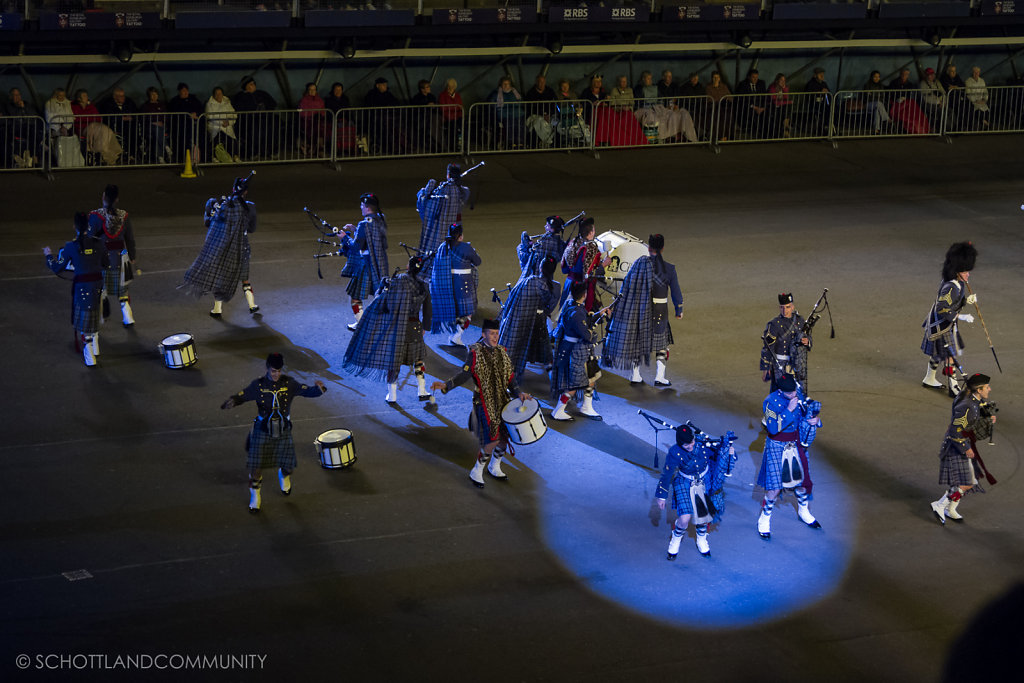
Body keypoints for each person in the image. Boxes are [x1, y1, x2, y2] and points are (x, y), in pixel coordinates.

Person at [221, 353, 327, 513]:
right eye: (273, 371)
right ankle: (255, 496)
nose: (276, 374)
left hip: (283, 428)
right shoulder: (258, 385)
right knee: (255, 467)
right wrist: (233, 401)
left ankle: (283, 475)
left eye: (278, 371)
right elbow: (243, 395)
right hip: (262, 427)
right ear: (267, 368)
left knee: (289, 467)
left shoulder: (289, 383)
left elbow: (307, 391)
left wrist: (320, 389)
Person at [431, 319, 531, 488]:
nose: (495, 337)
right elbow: (464, 374)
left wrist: (519, 393)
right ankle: (477, 469)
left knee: (505, 437)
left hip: (503, 400)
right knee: (492, 439)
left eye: (497, 333)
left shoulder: (502, 352)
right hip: (483, 401)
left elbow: (510, 378)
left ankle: (495, 465)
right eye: (492, 333)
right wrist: (446, 385)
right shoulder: (475, 352)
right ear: (483, 334)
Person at [343, 256, 433, 404]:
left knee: (394, 361)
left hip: (397, 327)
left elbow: (382, 300)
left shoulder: (397, 281)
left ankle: (392, 395)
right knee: (418, 360)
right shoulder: (424, 286)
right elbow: (428, 311)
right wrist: (425, 327)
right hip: (414, 327)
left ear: (408, 266)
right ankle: (422, 391)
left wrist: (381, 287)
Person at [602, 234, 684, 387]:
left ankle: (635, 375)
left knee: (639, 342)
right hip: (659, 311)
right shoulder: (669, 269)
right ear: (662, 248)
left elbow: (626, 284)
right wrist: (679, 309)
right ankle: (660, 377)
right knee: (662, 344)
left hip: (639, 310)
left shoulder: (638, 264)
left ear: (649, 247)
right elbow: (676, 292)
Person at [180, 174, 259, 317]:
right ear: (246, 192)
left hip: (225, 247)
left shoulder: (224, 206)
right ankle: (252, 305)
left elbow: (208, 223)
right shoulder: (251, 207)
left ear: (233, 189)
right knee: (245, 279)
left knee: (221, 278)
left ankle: (217, 309)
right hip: (243, 247)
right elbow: (252, 229)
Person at [756, 374, 823, 539]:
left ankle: (804, 510)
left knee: (801, 482)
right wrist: (788, 410)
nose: (794, 395)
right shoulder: (770, 402)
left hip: (795, 442)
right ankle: (764, 518)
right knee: (774, 487)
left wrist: (816, 420)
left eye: (794, 391)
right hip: (777, 445)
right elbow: (772, 428)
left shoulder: (796, 392)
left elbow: (808, 410)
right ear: (780, 390)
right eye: (790, 393)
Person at [656, 424, 736, 560]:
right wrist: (661, 495)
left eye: (692, 442)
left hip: (703, 481)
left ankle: (701, 539)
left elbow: (719, 455)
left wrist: (728, 451)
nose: (691, 446)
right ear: (680, 444)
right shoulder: (674, 452)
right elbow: (666, 474)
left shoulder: (702, 445)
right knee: (684, 518)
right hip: (684, 482)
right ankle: (676, 537)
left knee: (703, 517)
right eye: (687, 445)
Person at [43, 212, 110, 366]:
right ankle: (96, 347)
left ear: (75, 227)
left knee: (86, 317)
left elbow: (57, 267)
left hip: (81, 286)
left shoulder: (70, 246)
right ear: (88, 226)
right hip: (98, 285)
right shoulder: (99, 243)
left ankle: (90, 356)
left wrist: (48, 256)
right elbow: (106, 264)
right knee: (95, 314)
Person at [930, 373, 996, 524]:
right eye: (987, 387)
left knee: (966, 481)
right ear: (978, 390)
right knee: (967, 482)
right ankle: (940, 505)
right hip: (956, 446)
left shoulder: (971, 400)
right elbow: (955, 430)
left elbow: (973, 416)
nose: (989, 389)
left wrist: (987, 417)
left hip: (961, 443)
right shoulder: (967, 406)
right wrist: (965, 448)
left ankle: (951, 508)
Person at [922, 241, 977, 395]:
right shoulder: (951, 286)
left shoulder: (957, 284)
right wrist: (963, 316)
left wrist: (966, 301)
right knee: (950, 356)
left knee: (940, 354)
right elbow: (942, 308)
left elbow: (954, 303)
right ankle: (954, 387)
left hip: (946, 324)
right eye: (965, 271)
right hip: (942, 324)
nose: (968, 274)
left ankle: (929, 377)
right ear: (957, 271)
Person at [550, 281, 605, 421]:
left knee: (591, 378)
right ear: (584, 295)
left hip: (571, 350)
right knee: (573, 386)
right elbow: (586, 334)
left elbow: (585, 321)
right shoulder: (577, 313)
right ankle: (559, 410)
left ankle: (586, 406)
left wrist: (600, 314)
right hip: (576, 353)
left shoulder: (571, 306)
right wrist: (593, 333)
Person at [499, 255, 561, 379]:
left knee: (515, 350)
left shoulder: (529, 281)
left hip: (523, 321)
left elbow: (513, 298)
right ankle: (554, 381)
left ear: (540, 268)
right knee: (546, 353)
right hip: (539, 322)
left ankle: (508, 380)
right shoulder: (556, 286)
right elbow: (549, 308)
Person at [338, 192, 389, 330]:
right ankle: (383, 323)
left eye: (362, 205)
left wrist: (344, 237)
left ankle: (361, 323)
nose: (360, 207)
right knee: (380, 294)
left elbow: (355, 247)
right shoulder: (380, 219)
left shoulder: (364, 224)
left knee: (355, 296)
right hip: (381, 263)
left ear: (367, 208)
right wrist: (356, 230)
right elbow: (370, 238)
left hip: (366, 264)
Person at [89, 184, 137, 327]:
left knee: (101, 287)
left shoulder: (95, 216)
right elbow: (130, 238)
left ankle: (101, 316)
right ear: (117, 199)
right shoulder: (124, 216)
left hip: (101, 258)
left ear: (103, 197)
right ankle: (128, 316)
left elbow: (90, 239)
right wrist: (132, 256)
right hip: (120, 258)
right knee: (122, 288)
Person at [430, 223, 482, 346]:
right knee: (467, 312)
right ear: (460, 235)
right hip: (463, 284)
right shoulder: (465, 247)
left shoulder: (443, 246)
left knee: (454, 310)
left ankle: (454, 332)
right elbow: (478, 261)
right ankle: (456, 335)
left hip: (447, 284)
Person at [416, 162, 470, 257]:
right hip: (456, 228)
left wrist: (425, 192)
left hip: (440, 228)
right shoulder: (461, 191)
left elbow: (425, 199)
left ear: (448, 175)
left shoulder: (441, 190)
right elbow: (465, 192)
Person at [761, 292, 811, 393]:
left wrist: (808, 341)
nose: (785, 310)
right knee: (778, 391)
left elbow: (807, 336)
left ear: (792, 307)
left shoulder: (800, 321)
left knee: (797, 390)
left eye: (787, 307)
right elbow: (768, 347)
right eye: (782, 307)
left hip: (796, 362)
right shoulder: (774, 324)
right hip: (779, 363)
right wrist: (766, 368)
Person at [559, 217, 611, 312]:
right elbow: (589, 273)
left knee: (564, 313)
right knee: (578, 315)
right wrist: (603, 264)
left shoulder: (574, 242)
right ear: (591, 232)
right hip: (580, 288)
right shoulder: (591, 248)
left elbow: (565, 266)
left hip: (569, 283)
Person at [234, 77, 278, 160]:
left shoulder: (262, 93)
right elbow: (239, 109)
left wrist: (264, 107)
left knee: (273, 127)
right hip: (250, 120)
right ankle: (254, 152)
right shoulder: (240, 96)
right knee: (254, 131)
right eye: (250, 84)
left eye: (254, 83)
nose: (253, 85)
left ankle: (272, 151)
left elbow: (273, 103)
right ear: (245, 86)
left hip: (265, 119)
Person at [97, 87, 139, 161]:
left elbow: (135, 114)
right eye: (120, 96)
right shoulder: (107, 103)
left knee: (134, 133)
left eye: (123, 96)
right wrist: (121, 118)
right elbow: (107, 117)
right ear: (115, 97)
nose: (123, 98)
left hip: (129, 127)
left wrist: (131, 118)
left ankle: (132, 154)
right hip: (114, 127)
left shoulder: (129, 102)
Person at [518, 214, 566, 279]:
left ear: (552, 229)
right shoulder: (558, 241)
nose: (545, 226)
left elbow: (531, 256)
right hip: (547, 276)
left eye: (547, 225)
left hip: (536, 275)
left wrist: (525, 245)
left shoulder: (548, 241)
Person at [167, 82, 203, 163]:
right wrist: (188, 115)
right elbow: (173, 114)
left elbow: (200, 109)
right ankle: (182, 159)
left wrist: (196, 114)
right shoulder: (174, 101)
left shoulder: (194, 99)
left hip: (194, 126)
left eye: (186, 90)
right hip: (180, 127)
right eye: (183, 90)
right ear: (179, 91)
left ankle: (196, 158)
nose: (185, 92)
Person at [363, 77, 400, 155]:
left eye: (385, 85)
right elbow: (370, 106)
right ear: (377, 85)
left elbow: (395, 102)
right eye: (383, 85)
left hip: (388, 119)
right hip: (375, 119)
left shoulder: (388, 94)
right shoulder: (371, 94)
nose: (385, 86)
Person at [888, 68, 929, 134]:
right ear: (900, 74)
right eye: (903, 74)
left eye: (906, 74)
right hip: (896, 103)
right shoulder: (894, 83)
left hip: (906, 103)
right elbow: (891, 94)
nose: (904, 75)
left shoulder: (910, 84)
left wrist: (905, 98)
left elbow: (910, 95)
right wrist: (898, 98)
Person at [488, 76, 524, 148]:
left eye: (507, 84)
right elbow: (492, 104)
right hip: (504, 114)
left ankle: (520, 142)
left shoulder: (515, 92)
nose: (506, 85)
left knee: (520, 125)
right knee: (509, 124)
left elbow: (520, 102)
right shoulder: (496, 93)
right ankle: (510, 142)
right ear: (500, 84)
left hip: (517, 113)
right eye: (504, 84)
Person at [205, 86, 239, 161]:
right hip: (215, 127)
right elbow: (210, 116)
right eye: (217, 94)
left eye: (220, 94)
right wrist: (221, 123)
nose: (219, 95)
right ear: (213, 95)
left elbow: (234, 114)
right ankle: (213, 157)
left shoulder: (227, 102)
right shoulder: (209, 104)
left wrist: (229, 122)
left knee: (231, 140)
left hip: (227, 126)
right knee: (216, 140)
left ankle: (234, 156)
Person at [734, 68, 768, 137]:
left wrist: (762, 107)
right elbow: (741, 99)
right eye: (753, 77)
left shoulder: (761, 83)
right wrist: (754, 107)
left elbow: (765, 97)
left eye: (756, 77)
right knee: (752, 113)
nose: (755, 79)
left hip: (760, 107)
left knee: (768, 113)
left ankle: (768, 132)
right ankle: (757, 132)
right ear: (749, 77)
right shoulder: (743, 84)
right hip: (748, 107)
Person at [139, 86, 169, 163]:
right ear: (149, 96)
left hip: (161, 127)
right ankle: (165, 146)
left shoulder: (162, 105)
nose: (154, 96)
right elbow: (143, 118)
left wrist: (161, 122)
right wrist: (154, 122)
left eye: (156, 94)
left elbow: (166, 116)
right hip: (149, 128)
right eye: (152, 94)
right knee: (156, 130)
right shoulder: (145, 106)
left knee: (158, 133)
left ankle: (160, 157)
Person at [297, 82, 327, 157]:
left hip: (318, 121)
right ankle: (311, 147)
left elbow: (323, 112)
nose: (312, 91)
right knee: (313, 129)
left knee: (319, 129)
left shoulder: (320, 100)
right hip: (307, 121)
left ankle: (319, 148)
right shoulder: (303, 100)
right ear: (307, 90)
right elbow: (302, 112)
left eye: (314, 89)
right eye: (310, 89)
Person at [410, 79, 438, 153]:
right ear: (422, 89)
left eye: (429, 87)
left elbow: (437, 107)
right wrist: (426, 105)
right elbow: (415, 109)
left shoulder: (432, 96)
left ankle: (432, 144)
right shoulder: (416, 98)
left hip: (430, 117)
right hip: (420, 118)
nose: (429, 88)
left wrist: (434, 106)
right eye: (427, 87)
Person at [705, 71, 733, 141]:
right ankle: (720, 136)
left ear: (720, 78)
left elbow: (730, 97)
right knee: (719, 117)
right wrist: (719, 100)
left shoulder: (724, 86)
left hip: (724, 106)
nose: (716, 79)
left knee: (728, 117)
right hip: (714, 107)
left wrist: (725, 99)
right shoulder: (709, 87)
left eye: (717, 77)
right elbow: (709, 99)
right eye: (714, 77)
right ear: (712, 78)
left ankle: (728, 136)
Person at [437, 78, 463, 152]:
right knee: (453, 129)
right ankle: (453, 147)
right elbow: (443, 108)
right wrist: (455, 107)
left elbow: (460, 107)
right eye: (448, 86)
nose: (449, 88)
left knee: (463, 128)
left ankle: (462, 146)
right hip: (447, 118)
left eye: (451, 87)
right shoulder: (442, 95)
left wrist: (452, 108)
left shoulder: (457, 95)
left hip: (457, 117)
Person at [805, 67, 832, 134]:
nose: (822, 75)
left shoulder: (824, 84)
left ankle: (829, 127)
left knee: (832, 108)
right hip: (815, 104)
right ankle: (822, 128)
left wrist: (827, 92)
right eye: (820, 74)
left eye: (822, 74)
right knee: (824, 110)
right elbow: (809, 95)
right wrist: (819, 92)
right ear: (815, 75)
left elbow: (829, 93)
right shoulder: (811, 84)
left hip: (824, 103)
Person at [940, 64, 967, 128]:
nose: (954, 73)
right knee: (955, 110)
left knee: (965, 107)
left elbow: (962, 85)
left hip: (958, 97)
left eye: (955, 71)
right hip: (949, 99)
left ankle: (962, 126)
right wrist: (955, 87)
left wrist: (955, 87)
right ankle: (955, 127)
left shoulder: (957, 76)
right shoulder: (944, 77)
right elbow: (947, 87)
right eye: (952, 71)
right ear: (948, 71)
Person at [767, 73, 792, 138]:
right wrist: (783, 101)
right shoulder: (772, 87)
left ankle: (786, 123)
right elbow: (774, 99)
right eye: (781, 80)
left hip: (781, 106)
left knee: (788, 106)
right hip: (772, 106)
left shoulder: (785, 87)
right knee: (786, 106)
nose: (783, 82)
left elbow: (786, 98)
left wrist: (783, 88)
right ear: (777, 80)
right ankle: (786, 126)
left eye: (784, 80)